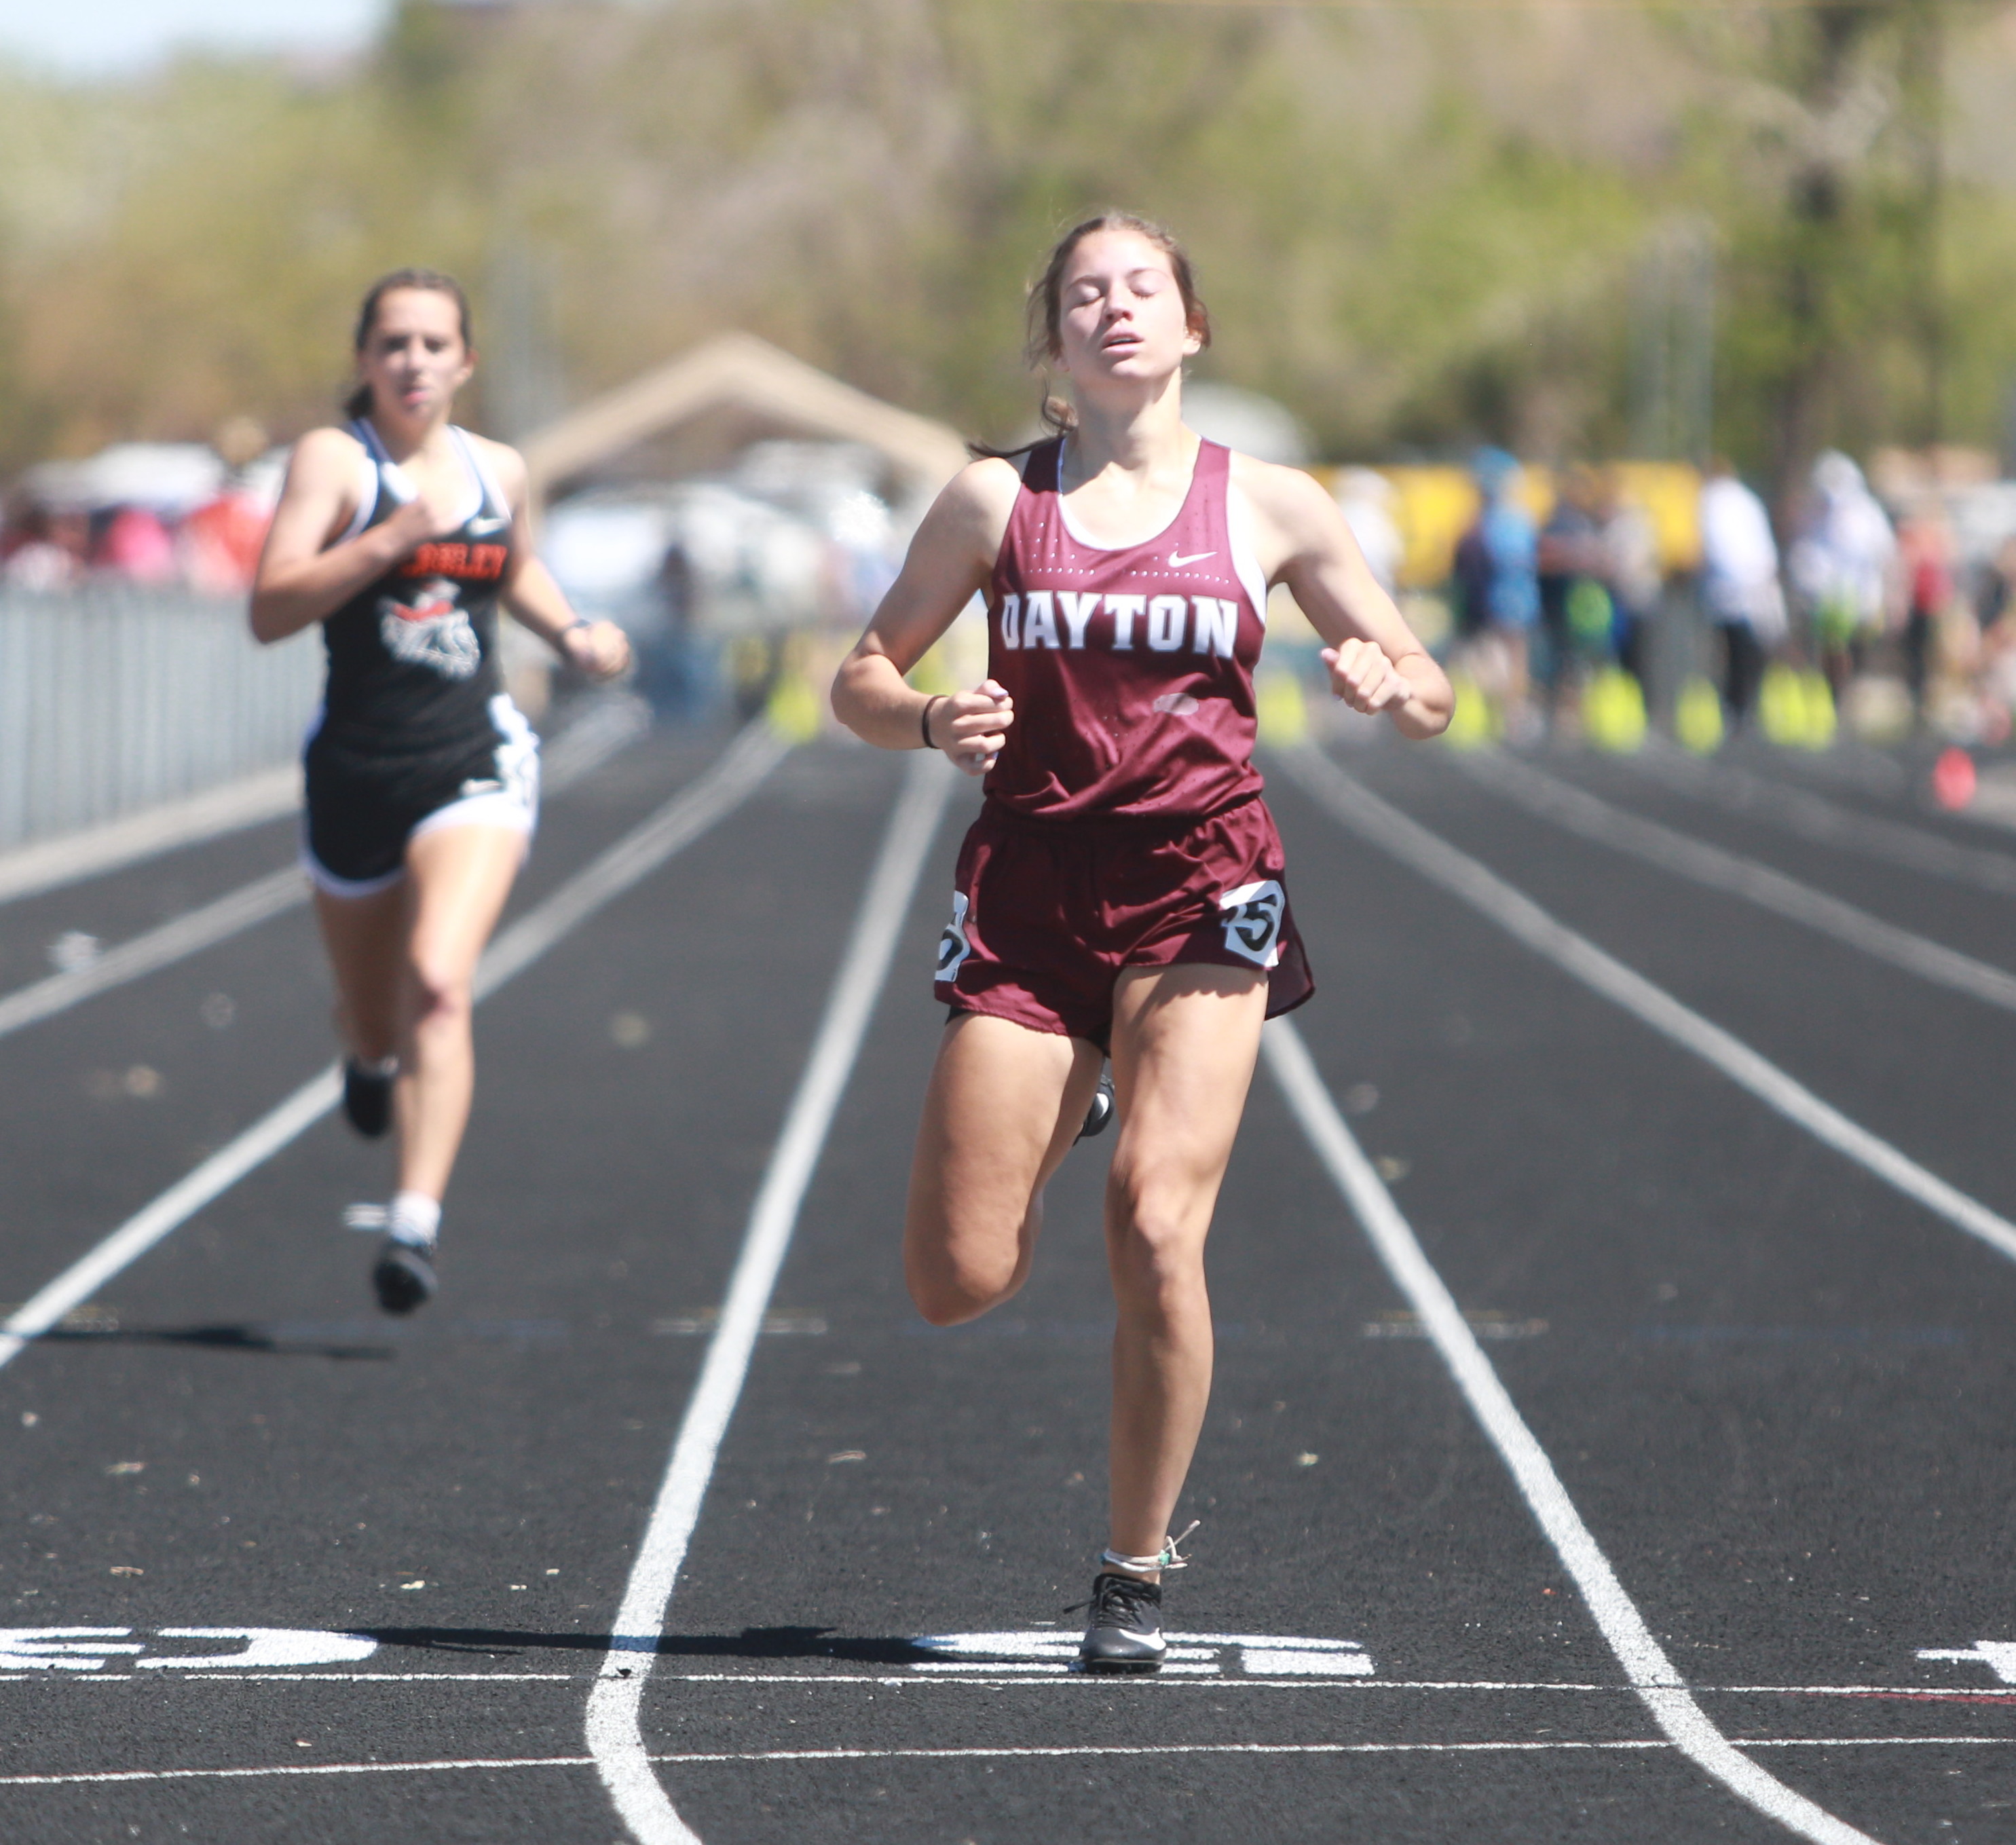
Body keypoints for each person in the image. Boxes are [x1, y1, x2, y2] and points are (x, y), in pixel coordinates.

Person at [830, 213, 1452, 1671]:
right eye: (1085, 296)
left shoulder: (1275, 506)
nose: (1116, 311)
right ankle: (1079, 1083)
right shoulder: (993, 502)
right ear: (1052, 344)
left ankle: (1134, 1567)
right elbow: (857, 674)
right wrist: (926, 716)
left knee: (1158, 1223)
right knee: (955, 1279)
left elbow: (1425, 683)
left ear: (1192, 327)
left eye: (1144, 289)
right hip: (1034, 894)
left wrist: (1386, 680)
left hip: (1202, 893)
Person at [249, 268, 629, 1313]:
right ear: (365, 360)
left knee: (438, 980)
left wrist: (577, 632)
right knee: (373, 1015)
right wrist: (382, 541)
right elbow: (269, 607)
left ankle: (413, 1219)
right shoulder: (336, 461)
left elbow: (513, 568)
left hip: (471, 754)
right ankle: (367, 1062)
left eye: (433, 344)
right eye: (394, 344)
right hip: (353, 771)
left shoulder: (498, 466)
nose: (414, 362)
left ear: (465, 360)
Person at [1698, 458, 1786, 729]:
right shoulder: (1746, 500)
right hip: (1752, 584)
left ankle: (1735, 706)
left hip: (1729, 587)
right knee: (1747, 649)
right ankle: (1743, 706)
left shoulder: (1712, 500)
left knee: (1733, 651)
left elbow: (1716, 544)